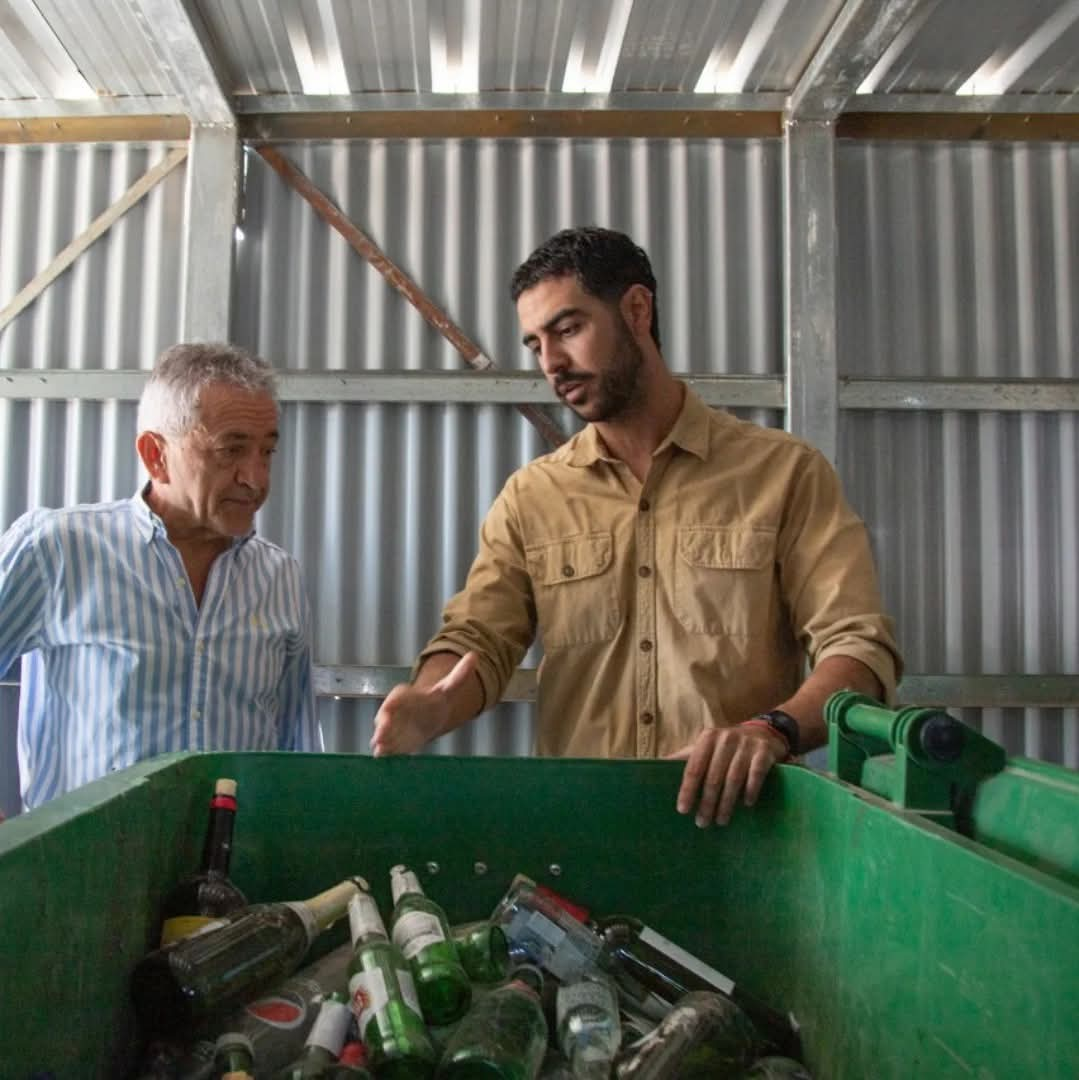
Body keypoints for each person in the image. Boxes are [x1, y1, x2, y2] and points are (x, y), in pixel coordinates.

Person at [371, 226, 901, 827]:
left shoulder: (784, 475)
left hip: (742, 835)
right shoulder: (532, 497)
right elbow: (477, 640)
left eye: (568, 329)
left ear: (637, 309)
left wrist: (771, 729)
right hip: (583, 835)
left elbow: (859, 649)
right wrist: (430, 707)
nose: (552, 364)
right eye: (535, 343)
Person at [0, 343, 319, 811]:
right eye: (230, 450)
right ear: (156, 455)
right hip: (84, 871)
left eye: (266, 451)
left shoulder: (279, 578)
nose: (255, 478)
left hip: (231, 868)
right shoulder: (60, 548)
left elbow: (296, 750)